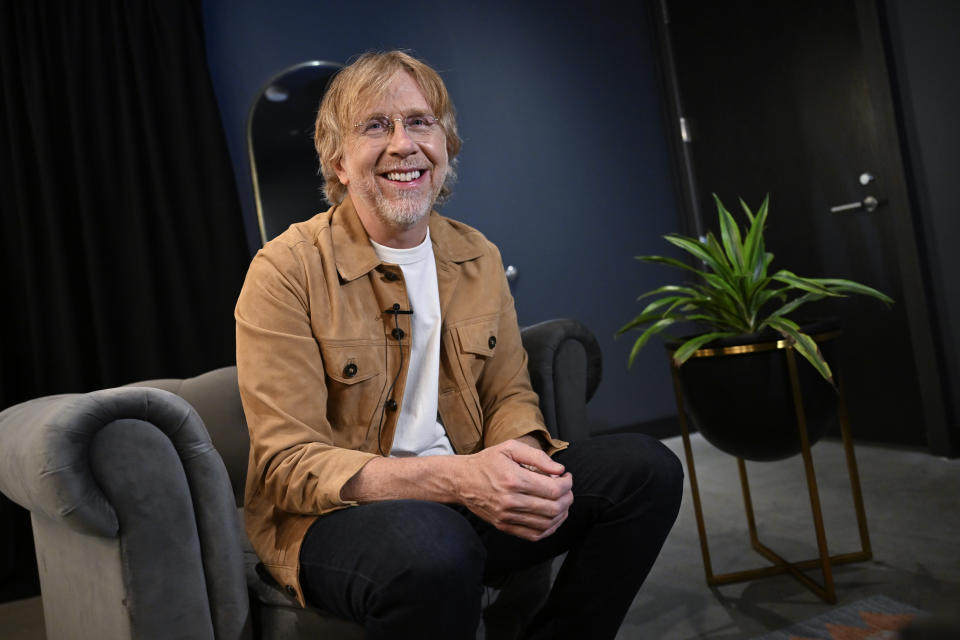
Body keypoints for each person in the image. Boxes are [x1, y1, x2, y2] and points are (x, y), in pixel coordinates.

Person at [235, 50, 683, 639]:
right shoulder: (284, 270)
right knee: (435, 548)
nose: (404, 144)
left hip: (465, 496)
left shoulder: (477, 255)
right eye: (377, 125)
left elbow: (509, 394)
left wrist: (518, 464)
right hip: (337, 520)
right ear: (338, 160)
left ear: (445, 147)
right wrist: (459, 478)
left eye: (420, 122)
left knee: (648, 471)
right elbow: (288, 465)